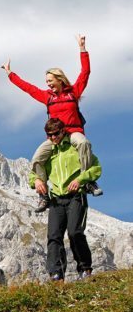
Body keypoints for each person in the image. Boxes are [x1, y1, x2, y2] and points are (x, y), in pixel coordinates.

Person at [1, 34, 102, 213]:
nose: (48, 84)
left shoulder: (73, 92)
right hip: (55, 136)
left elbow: (85, 73)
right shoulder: (47, 97)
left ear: (59, 79)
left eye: (50, 81)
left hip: (72, 132)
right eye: (46, 82)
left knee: (83, 143)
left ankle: (88, 181)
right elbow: (28, 88)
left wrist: (82, 48)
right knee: (38, 157)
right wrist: (10, 74)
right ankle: (43, 195)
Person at [29, 118, 101, 281]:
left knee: (75, 232)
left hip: (76, 197)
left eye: (55, 134)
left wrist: (81, 180)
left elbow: (96, 167)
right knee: (54, 236)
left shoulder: (75, 148)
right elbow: (33, 172)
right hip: (56, 199)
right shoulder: (49, 153)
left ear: (63, 131)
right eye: (49, 135)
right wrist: (37, 181)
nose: (52, 138)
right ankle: (56, 274)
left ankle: (85, 269)